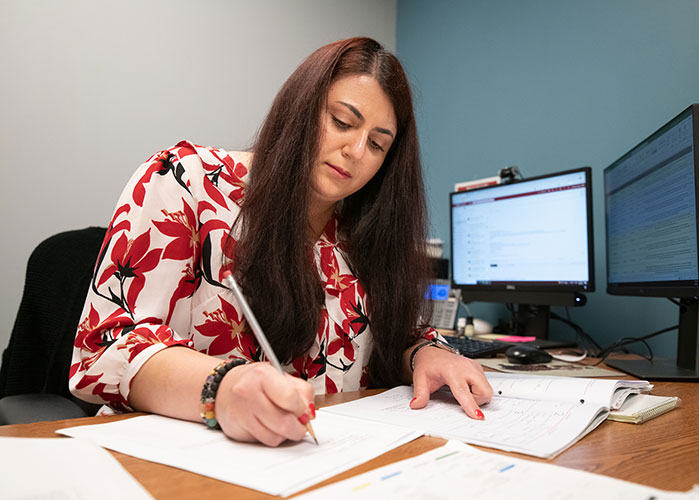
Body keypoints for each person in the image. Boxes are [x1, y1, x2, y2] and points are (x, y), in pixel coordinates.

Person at [70, 37, 492, 446]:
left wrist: (423, 353)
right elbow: (106, 346)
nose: (356, 150)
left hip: (322, 460)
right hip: (174, 458)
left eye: (378, 144)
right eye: (342, 122)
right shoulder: (185, 182)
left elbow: (391, 340)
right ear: (301, 109)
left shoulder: (361, 236)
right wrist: (223, 387)